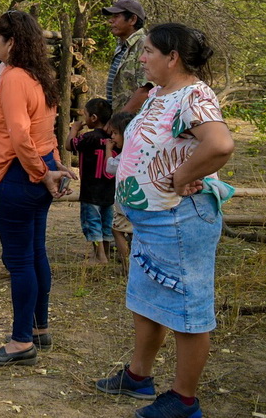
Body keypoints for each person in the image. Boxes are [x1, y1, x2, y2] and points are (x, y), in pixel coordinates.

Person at [96, 24, 234, 418]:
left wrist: (185, 175)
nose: (142, 57)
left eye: (149, 51)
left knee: (188, 311)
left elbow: (220, 144)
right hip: (153, 221)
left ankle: (184, 400)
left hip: (179, 220)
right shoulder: (160, 93)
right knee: (148, 299)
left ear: (172, 57)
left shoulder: (195, 95)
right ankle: (139, 376)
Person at [0, 10, 74, 366]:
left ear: (12, 42)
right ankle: (37, 328)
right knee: (35, 252)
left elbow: (20, 135)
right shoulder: (39, 76)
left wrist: (41, 172)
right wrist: (53, 166)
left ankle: (21, 342)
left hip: (20, 175)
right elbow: (44, 131)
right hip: (37, 170)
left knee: (19, 261)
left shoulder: (16, 78)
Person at [67, 97, 115, 265]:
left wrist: (74, 129)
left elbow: (69, 145)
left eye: (85, 115)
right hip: (109, 188)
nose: (84, 118)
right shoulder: (113, 139)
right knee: (107, 222)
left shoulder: (89, 137)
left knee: (92, 222)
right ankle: (106, 254)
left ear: (93, 118)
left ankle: (99, 256)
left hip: (91, 190)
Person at [103, 0, 151, 114]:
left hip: (132, 122)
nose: (111, 21)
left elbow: (145, 89)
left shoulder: (144, 46)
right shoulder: (122, 45)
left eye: (116, 16)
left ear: (132, 20)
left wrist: (118, 120)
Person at [104, 111, 135, 269]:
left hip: (123, 206)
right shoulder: (137, 154)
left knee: (116, 230)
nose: (113, 138)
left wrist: (108, 149)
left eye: (115, 133)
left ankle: (126, 265)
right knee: (134, 233)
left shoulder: (124, 157)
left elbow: (109, 167)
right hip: (135, 204)